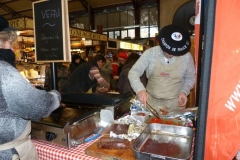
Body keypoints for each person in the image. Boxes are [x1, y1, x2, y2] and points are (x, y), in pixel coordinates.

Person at [0, 16, 61, 160]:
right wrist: (55, 96)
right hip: (8, 151)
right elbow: (37, 106)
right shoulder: (4, 70)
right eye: (9, 42)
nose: (12, 48)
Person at [128, 25, 195, 114]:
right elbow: (133, 72)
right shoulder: (150, 53)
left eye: (174, 52)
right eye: (168, 51)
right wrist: (140, 89)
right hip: (150, 103)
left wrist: (184, 91)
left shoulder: (186, 57)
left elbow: (190, 77)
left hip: (175, 104)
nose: (171, 54)